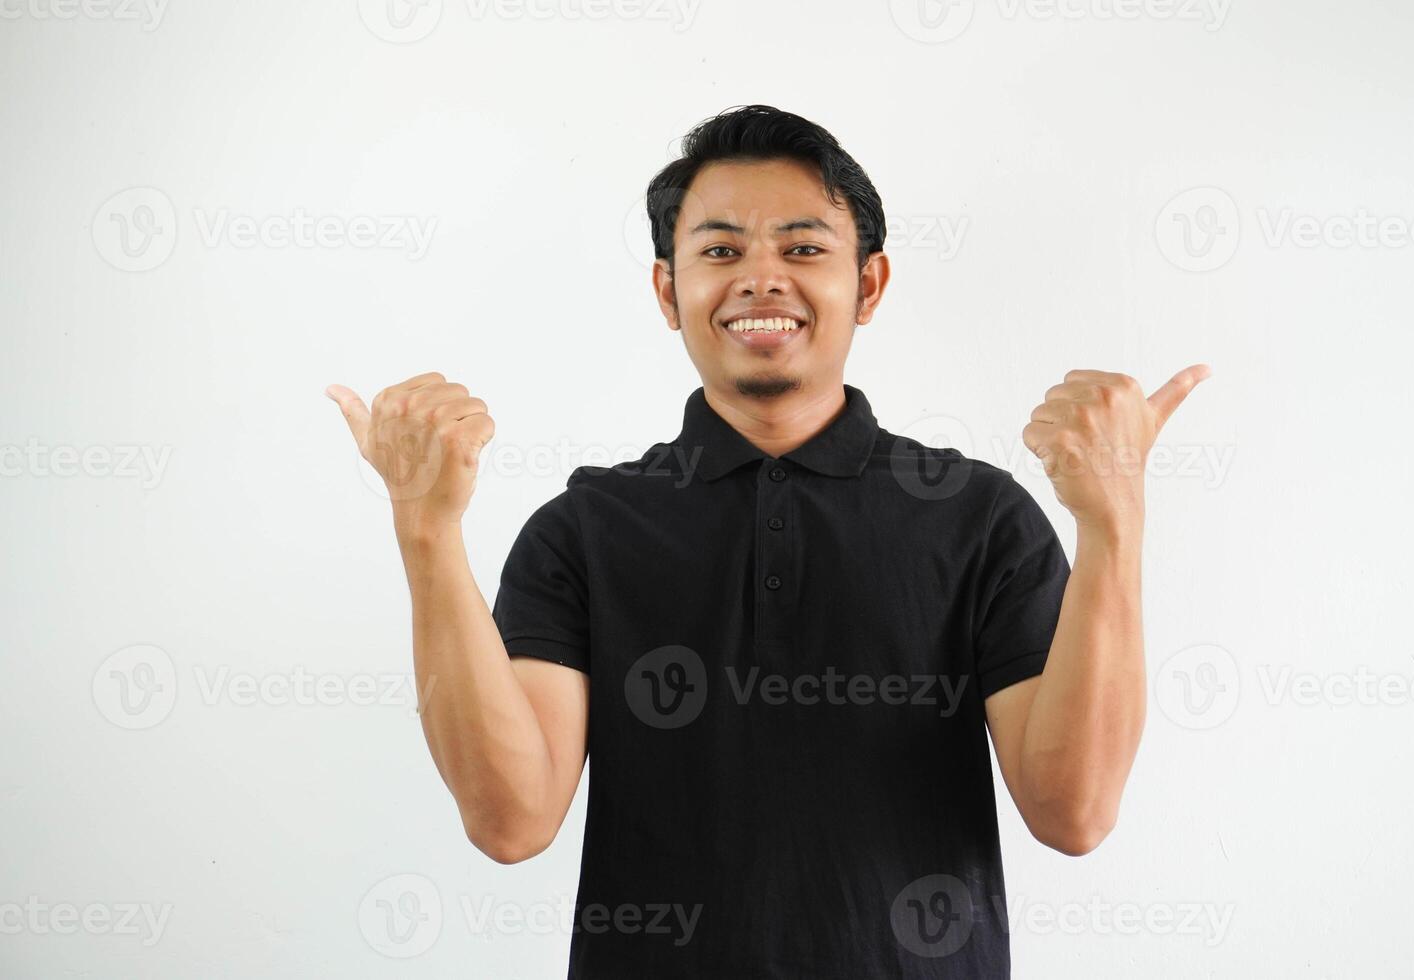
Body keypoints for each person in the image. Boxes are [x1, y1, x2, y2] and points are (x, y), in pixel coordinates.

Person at [327, 103, 1210, 978]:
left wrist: (1113, 521)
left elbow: (1076, 812)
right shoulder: (584, 530)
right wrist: (427, 531)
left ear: (867, 285)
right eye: (719, 251)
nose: (761, 279)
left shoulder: (977, 517)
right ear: (669, 292)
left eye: (803, 248)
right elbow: (510, 822)